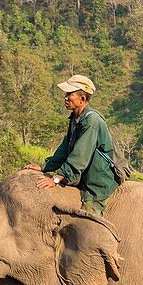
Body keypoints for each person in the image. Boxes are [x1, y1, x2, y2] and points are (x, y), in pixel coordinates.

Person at [25, 74, 118, 215]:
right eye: (66, 94)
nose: (66, 97)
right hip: (83, 175)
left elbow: (80, 156)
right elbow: (64, 149)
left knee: (87, 220)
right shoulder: (76, 118)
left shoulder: (92, 121)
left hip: (97, 181)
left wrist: (56, 178)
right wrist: (45, 166)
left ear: (82, 99)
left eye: (70, 94)